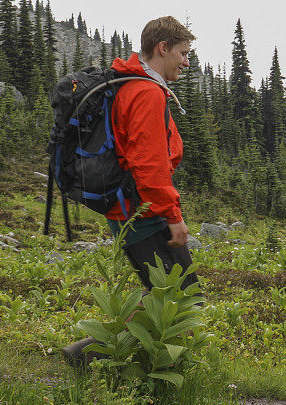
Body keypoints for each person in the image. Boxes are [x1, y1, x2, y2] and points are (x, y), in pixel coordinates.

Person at [61, 16, 198, 366]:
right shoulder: (145, 92)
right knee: (180, 297)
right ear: (162, 48)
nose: (187, 61)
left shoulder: (131, 83)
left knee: (166, 294)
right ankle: (92, 356)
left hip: (130, 208)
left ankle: (98, 356)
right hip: (142, 214)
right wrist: (174, 217)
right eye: (183, 53)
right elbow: (149, 166)